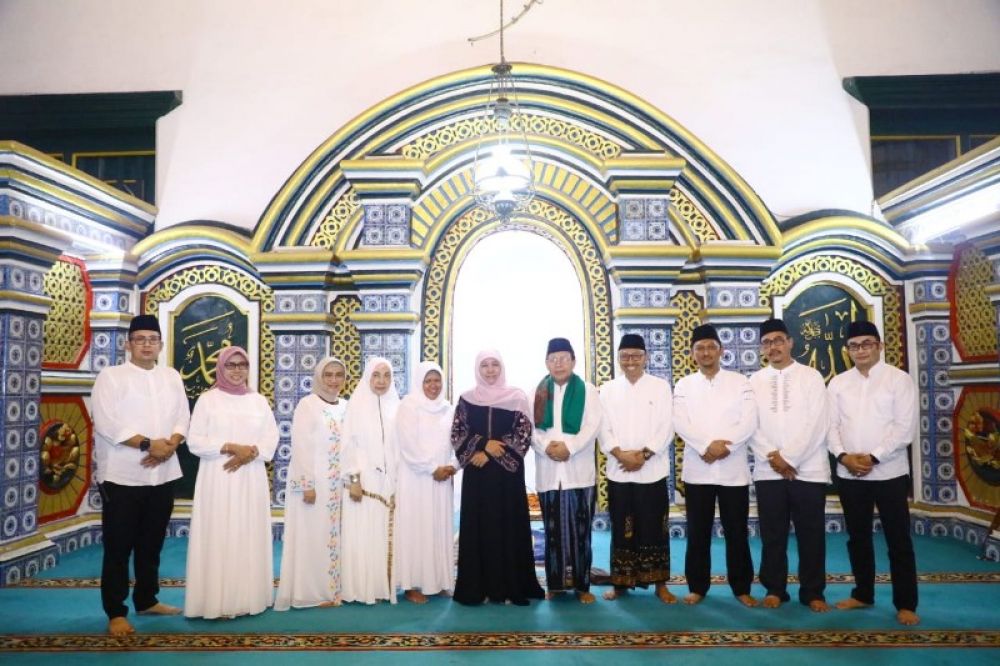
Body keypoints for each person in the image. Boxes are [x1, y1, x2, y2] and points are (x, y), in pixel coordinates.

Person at [90, 314, 189, 636]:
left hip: (162, 473)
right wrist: (148, 444)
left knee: (151, 542)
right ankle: (116, 612)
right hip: (123, 474)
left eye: (152, 339)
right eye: (140, 339)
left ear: (160, 344)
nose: (147, 345)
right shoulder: (112, 376)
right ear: (129, 343)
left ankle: (147, 598)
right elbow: (106, 424)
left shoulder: (171, 376)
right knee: (119, 546)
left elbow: (182, 417)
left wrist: (169, 445)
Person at [828, 320, 920, 626]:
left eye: (867, 343)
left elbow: (903, 429)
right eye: (854, 345)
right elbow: (831, 427)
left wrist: (873, 458)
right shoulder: (838, 383)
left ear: (879, 346)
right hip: (850, 473)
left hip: (890, 473)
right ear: (847, 350)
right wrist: (844, 457)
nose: (861, 350)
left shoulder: (899, 380)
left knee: (898, 540)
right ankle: (863, 593)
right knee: (857, 537)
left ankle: (905, 603)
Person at [184, 346, 279, 619]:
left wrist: (250, 453)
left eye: (242, 365)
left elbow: (271, 437)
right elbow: (195, 441)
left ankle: (248, 598)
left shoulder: (258, 401)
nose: (237, 370)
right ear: (221, 368)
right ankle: (218, 601)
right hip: (218, 477)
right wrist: (229, 447)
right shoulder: (207, 400)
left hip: (251, 477)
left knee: (247, 531)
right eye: (231, 365)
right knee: (220, 532)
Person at [673, 323, 758, 607]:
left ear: (721, 351)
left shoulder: (740, 382)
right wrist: (704, 446)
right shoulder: (684, 385)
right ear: (692, 354)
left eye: (711, 347)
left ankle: (741, 587)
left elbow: (749, 421)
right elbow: (680, 422)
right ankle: (697, 586)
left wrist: (726, 445)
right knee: (698, 531)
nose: (706, 352)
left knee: (736, 531)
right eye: (700, 348)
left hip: (733, 468)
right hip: (699, 468)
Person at [749, 318, 830, 612]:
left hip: (808, 469)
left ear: (790, 342)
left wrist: (790, 459)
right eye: (768, 342)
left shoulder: (811, 377)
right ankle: (775, 588)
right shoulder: (754, 381)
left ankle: (813, 592)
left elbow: (817, 423)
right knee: (772, 533)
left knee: (811, 534)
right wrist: (774, 457)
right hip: (768, 470)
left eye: (779, 340)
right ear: (762, 348)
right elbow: (750, 426)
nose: (774, 347)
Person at [452, 350, 545, 606]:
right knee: (479, 528)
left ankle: (511, 587)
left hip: (506, 477)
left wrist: (491, 453)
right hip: (477, 475)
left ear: (502, 367)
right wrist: (481, 446)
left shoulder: (516, 397)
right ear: (477, 369)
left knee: (507, 527)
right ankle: (477, 587)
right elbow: (458, 433)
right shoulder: (467, 398)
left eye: (495, 365)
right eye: (485, 365)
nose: (490, 370)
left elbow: (524, 433)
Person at [598, 333, 676, 603]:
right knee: (622, 527)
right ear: (619, 359)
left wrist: (643, 454)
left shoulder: (660, 386)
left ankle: (659, 584)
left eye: (635, 356)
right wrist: (621, 454)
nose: (630, 361)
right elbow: (602, 428)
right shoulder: (607, 390)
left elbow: (667, 426)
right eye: (625, 357)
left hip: (651, 469)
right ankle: (620, 583)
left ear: (645, 358)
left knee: (655, 528)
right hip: (619, 471)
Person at [275, 356, 350, 610]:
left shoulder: (347, 406)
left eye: (338, 375)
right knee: (312, 537)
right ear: (319, 377)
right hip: (314, 486)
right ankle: (310, 593)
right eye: (327, 375)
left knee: (333, 538)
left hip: (338, 487)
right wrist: (307, 483)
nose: (333, 380)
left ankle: (333, 590)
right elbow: (301, 447)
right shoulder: (307, 405)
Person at [531, 338, 602, 604]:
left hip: (578, 473)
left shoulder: (589, 391)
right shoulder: (536, 392)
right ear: (546, 362)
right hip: (549, 472)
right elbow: (530, 430)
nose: (558, 363)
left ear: (573, 361)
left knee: (581, 531)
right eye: (553, 359)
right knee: (551, 531)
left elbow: (592, 426)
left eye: (563, 358)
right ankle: (555, 584)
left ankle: (583, 586)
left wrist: (569, 447)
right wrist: (547, 446)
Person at [395, 361, 457, 604]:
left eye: (437, 380)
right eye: (428, 381)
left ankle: (439, 581)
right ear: (419, 382)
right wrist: (433, 468)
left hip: (442, 479)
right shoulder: (408, 406)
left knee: (438, 528)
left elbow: (457, 440)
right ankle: (413, 585)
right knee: (416, 529)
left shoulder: (448, 408)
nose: (433, 385)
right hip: (417, 479)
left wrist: (453, 465)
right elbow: (408, 445)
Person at [340, 357, 401, 604]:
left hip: (389, 482)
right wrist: (353, 478)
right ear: (367, 377)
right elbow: (348, 446)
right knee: (363, 534)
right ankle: (361, 589)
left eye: (387, 375)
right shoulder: (356, 406)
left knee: (384, 534)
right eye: (376, 375)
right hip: (363, 482)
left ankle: (383, 587)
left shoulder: (396, 406)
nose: (381, 381)